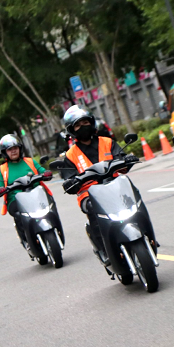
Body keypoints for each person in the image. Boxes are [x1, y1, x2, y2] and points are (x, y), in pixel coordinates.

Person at [60, 105, 139, 260]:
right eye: (77, 125)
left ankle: (145, 232)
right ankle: (105, 250)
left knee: (134, 193)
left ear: (92, 122)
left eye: (84, 122)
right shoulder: (70, 155)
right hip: (90, 195)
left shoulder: (107, 142)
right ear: (71, 130)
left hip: (115, 186)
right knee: (92, 210)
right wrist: (70, 183)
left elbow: (121, 160)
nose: (82, 127)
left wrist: (127, 160)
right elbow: (68, 178)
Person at [0, 134, 52, 249]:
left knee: (50, 207)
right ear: (5, 152)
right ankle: (27, 240)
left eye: (15, 148)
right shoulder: (2, 169)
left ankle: (54, 227)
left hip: (36, 194)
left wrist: (46, 173)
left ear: (20, 148)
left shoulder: (30, 161)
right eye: (10, 149)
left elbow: (42, 171)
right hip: (16, 200)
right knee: (19, 216)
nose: (13, 151)